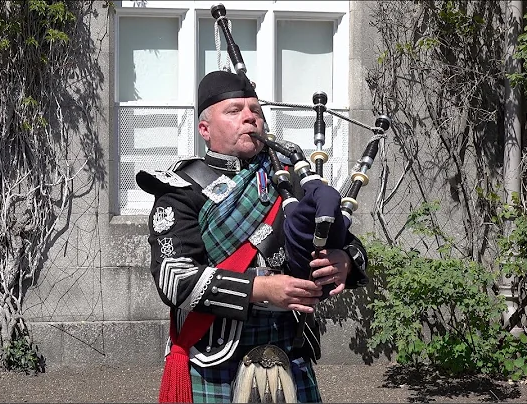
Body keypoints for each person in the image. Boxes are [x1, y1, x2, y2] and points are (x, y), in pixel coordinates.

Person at [135, 70, 369, 403]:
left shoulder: (292, 181)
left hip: (291, 350)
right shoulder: (181, 189)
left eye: (255, 111)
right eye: (234, 111)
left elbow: (350, 244)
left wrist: (344, 261)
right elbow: (174, 280)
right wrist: (262, 289)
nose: (250, 118)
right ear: (205, 129)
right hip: (214, 358)